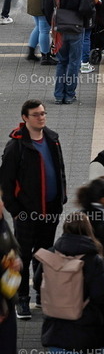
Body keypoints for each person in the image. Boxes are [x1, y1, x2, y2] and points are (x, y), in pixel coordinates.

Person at [0, 99, 67, 319]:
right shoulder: (16, 146)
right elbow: (6, 182)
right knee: (24, 257)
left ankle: (41, 293)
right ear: (25, 118)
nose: (41, 117)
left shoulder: (52, 139)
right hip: (26, 213)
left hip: (51, 210)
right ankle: (22, 299)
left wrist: (62, 198)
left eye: (43, 113)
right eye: (36, 114)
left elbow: (60, 169)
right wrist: (16, 211)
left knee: (44, 255)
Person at [33, 211, 104, 352]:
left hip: (54, 329)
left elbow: (37, 282)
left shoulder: (51, 253)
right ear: (88, 230)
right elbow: (100, 295)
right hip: (84, 330)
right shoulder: (94, 260)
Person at [42, 0, 95, 104]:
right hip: (76, 27)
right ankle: (70, 94)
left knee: (62, 61)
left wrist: (53, 21)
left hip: (59, 27)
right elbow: (88, 6)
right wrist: (83, 20)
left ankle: (59, 95)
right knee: (74, 62)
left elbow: (45, 6)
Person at [0, 193, 22, 353]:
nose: (2, 204)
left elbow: (14, 247)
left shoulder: (3, 224)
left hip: (8, 296)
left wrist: (16, 260)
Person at [76, 0, 98, 74]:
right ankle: (84, 64)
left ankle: (76, 62)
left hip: (73, 14)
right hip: (87, 13)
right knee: (85, 38)